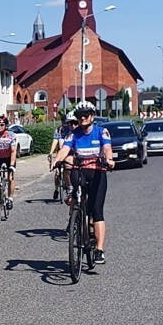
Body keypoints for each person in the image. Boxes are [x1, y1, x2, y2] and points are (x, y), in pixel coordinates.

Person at [51, 101, 114, 262]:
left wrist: (109, 159)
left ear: (92, 116)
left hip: (97, 173)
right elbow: (64, 150)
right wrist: (56, 160)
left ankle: (99, 250)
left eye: (85, 115)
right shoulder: (73, 134)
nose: (82, 119)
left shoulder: (101, 132)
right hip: (79, 171)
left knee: (96, 210)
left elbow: (107, 148)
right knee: (79, 202)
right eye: (79, 117)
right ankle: (80, 224)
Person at [49, 111, 77, 200]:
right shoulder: (59, 130)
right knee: (57, 172)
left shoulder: (74, 130)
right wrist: (51, 152)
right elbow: (55, 142)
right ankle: (56, 189)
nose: (66, 125)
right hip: (61, 150)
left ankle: (71, 185)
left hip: (71, 152)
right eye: (64, 123)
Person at [0, 115, 17, 206]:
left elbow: (13, 151)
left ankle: (10, 198)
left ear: (6, 126)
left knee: (10, 178)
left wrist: (12, 165)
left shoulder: (11, 135)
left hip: (9, 157)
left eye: (2, 125)